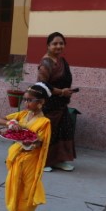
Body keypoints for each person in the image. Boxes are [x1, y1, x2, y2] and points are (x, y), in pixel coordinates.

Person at [0, 83, 52, 211]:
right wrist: (10, 123)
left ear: (41, 102)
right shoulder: (22, 115)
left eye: (30, 100)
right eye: (25, 99)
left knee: (28, 189)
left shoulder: (44, 122)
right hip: (17, 157)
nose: (26, 103)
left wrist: (29, 141)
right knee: (14, 185)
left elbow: (40, 143)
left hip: (30, 159)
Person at [37, 32, 76, 172]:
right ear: (48, 45)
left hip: (61, 105)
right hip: (49, 105)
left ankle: (58, 160)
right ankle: (43, 161)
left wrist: (67, 92)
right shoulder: (46, 63)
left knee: (63, 131)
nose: (58, 46)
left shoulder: (61, 61)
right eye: (55, 44)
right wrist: (61, 92)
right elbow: (42, 85)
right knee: (49, 133)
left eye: (61, 43)